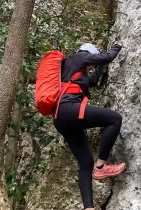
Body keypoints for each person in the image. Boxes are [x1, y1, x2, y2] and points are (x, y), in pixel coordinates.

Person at [53, 43, 126, 210]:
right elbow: (107, 57)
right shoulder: (79, 56)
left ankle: (88, 208)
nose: (91, 65)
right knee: (114, 119)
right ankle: (101, 167)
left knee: (85, 163)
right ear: (89, 53)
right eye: (92, 61)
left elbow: (91, 81)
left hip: (60, 118)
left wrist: (98, 67)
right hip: (69, 110)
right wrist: (117, 47)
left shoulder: (71, 70)